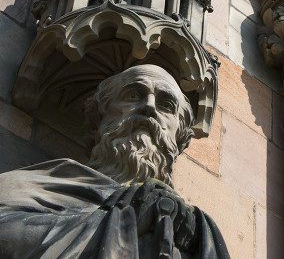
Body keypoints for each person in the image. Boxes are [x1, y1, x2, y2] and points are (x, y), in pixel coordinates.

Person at [0, 64, 230, 258]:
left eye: (166, 105)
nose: (149, 107)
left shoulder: (190, 230)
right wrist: (127, 217)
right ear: (100, 116)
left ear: (178, 136)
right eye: (133, 95)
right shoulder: (30, 185)